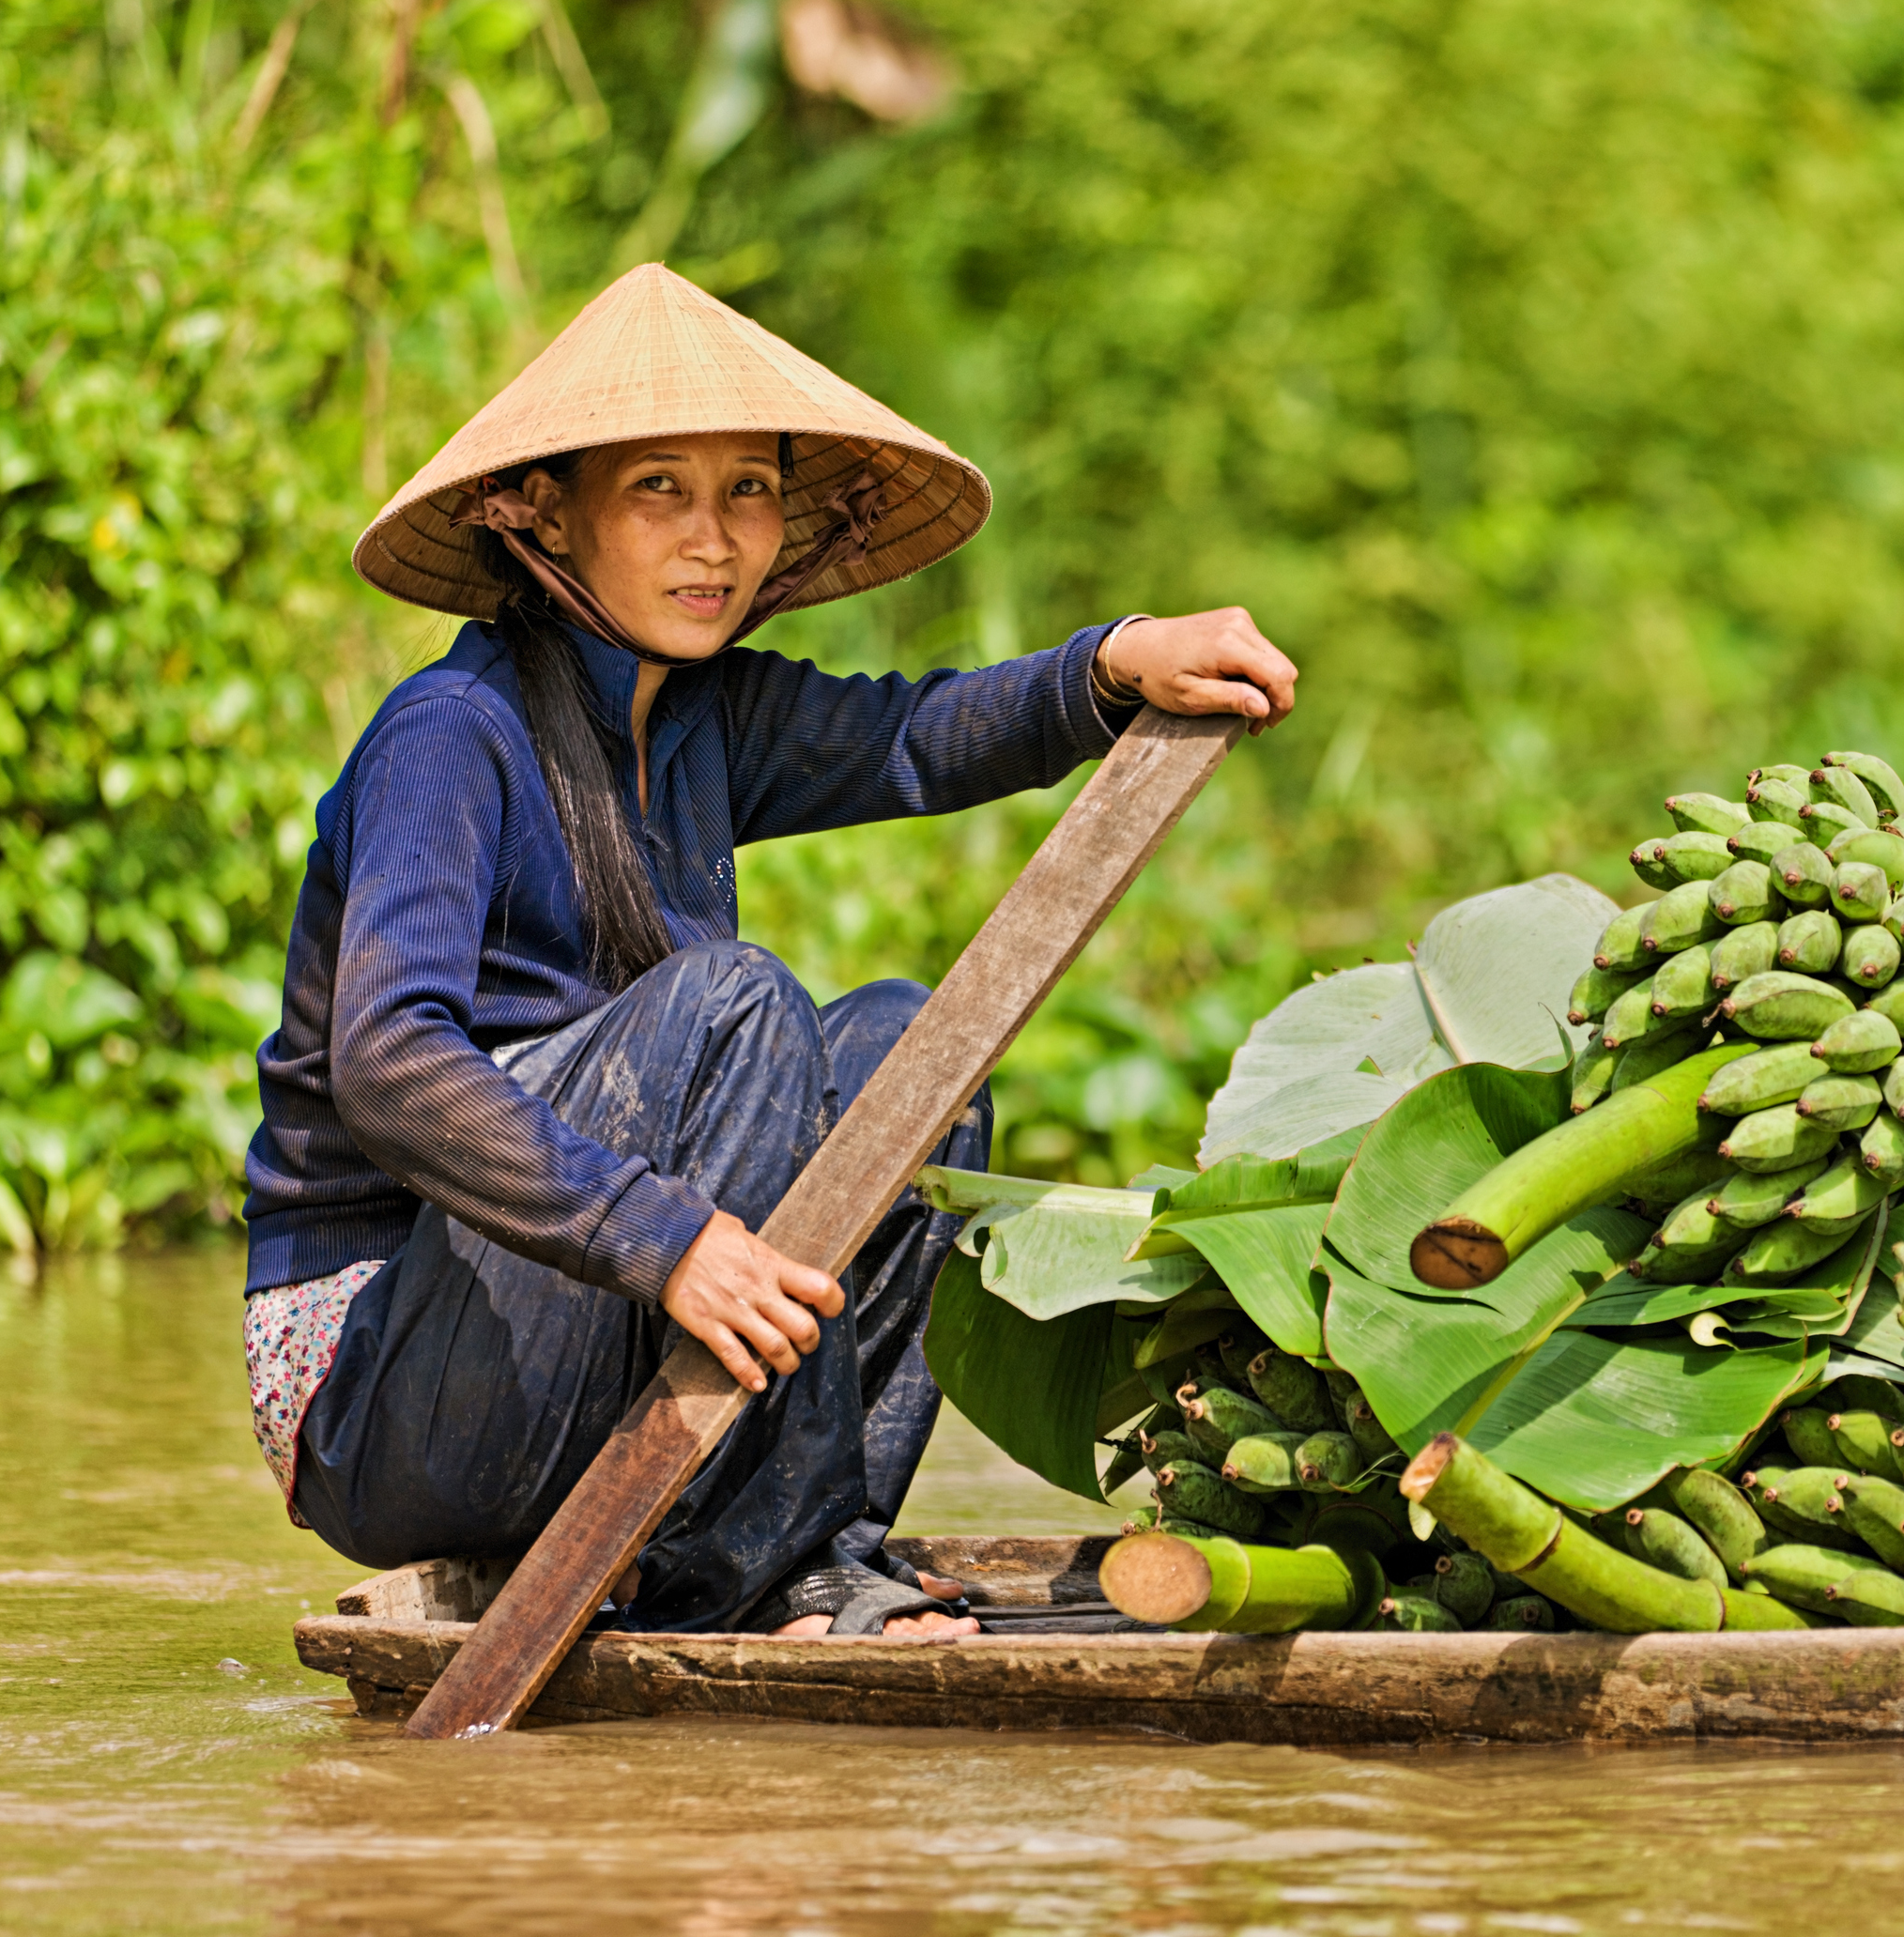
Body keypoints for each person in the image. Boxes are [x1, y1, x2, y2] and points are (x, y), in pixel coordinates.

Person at [238, 266, 1295, 1639]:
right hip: (383, 1384)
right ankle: (760, 1566)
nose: (714, 539)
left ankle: (818, 1543)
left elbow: (914, 737)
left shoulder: (705, 715)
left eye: (747, 490)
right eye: (659, 490)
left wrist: (1113, 663)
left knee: (906, 1053)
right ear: (542, 511)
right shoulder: (451, 732)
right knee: (734, 1001)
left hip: (567, 1332)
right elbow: (386, 1062)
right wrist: (665, 1239)